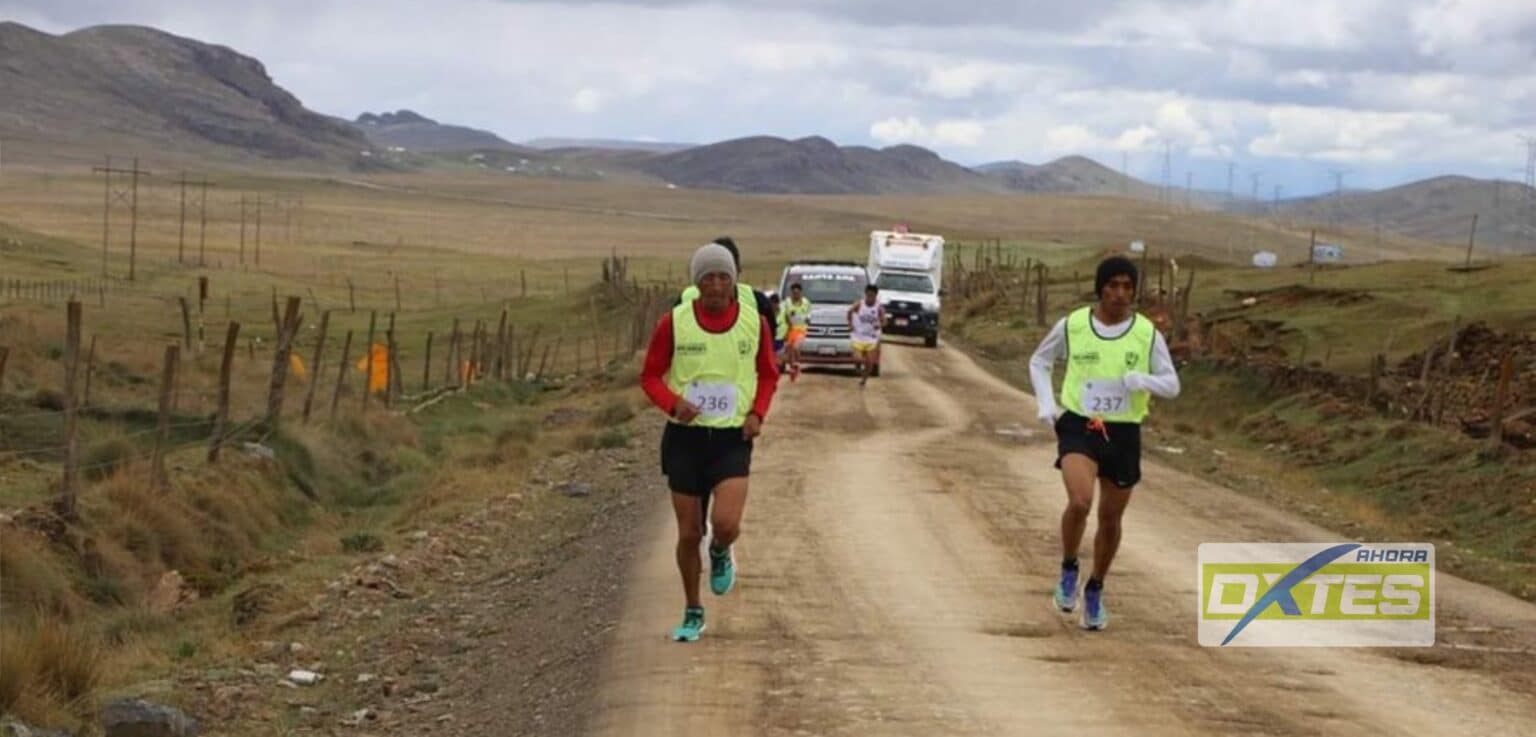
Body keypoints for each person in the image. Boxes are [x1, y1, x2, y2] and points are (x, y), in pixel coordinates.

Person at [1028, 256, 1180, 631]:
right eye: (1112, 285)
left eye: (1127, 287)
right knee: (1080, 501)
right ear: (1100, 288)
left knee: (1110, 519)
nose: (1120, 294)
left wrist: (1142, 381)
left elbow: (1172, 384)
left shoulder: (1146, 334)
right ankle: (1068, 567)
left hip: (1124, 431)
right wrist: (1048, 407)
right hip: (1081, 424)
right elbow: (1039, 362)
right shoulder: (1074, 325)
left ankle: (1095, 587)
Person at [641, 243, 780, 642]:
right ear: (697, 283)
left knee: (725, 523)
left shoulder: (755, 323)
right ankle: (692, 609)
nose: (716, 285)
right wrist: (673, 402)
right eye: (708, 278)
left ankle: (720, 550)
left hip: (731, 439)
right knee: (688, 533)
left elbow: (768, 373)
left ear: (733, 281)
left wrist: (757, 414)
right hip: (684, 439)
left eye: (723, 277)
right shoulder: (674, 323)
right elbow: (650, 375)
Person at [679, 236, 778, 334]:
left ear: (737, 270)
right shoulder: (684, 300)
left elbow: (769, 340)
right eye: (709, 276)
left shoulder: (759, 303)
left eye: (723, 276)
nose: (716, 286)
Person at [847, 284, 883, 387]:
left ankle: (864, 379)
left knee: (870, 363)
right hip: (858, 336)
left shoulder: (879, 307)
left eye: (873, 296)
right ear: (865, 294)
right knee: (857, 358)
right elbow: (849, 312)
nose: (870, 298)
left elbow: (884, 321)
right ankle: (858, 367)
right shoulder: (859, 304)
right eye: (868, 295)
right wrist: (850, 324)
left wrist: (879, 324)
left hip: (871, 338)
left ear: (876, 296)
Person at [783, 282, 812, 382]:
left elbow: (809, 315)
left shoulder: (806, 302)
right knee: (790, 353)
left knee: (796, 347)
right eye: (794, 293)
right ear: (791, 293)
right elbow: (786, 316)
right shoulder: (787, 302)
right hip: (791, 329)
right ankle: (793, 371)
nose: (796, 295)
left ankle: (798, 363)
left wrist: (808, 319)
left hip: (801, 329)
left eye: (797, 293)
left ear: (800, 293)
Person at [769, 293, 789, 372]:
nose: (772, 306)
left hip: (781, 339)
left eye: (773, 304)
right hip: (771, 339)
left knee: (780, 361)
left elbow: (790, 324)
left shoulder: (783, 312)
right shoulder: (768, 312)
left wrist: (787, 334)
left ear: (777, 303)